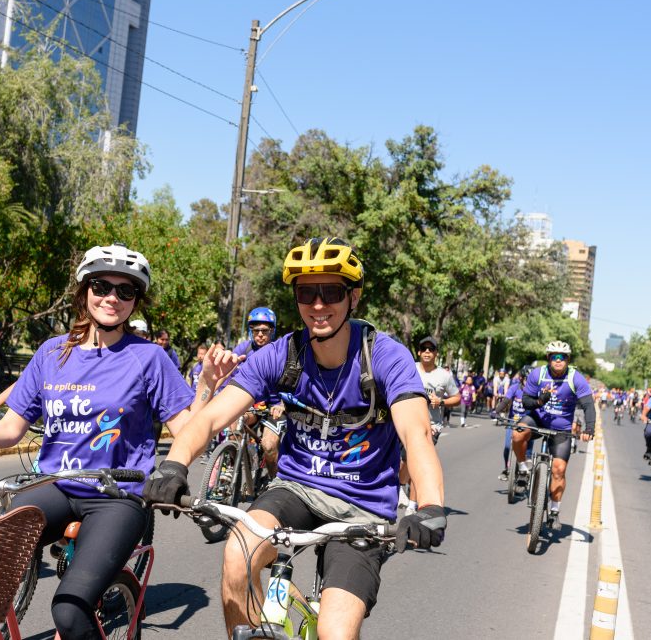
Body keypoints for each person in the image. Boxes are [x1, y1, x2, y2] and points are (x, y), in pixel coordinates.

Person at [145, 237, 446, 640]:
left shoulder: (384, 357)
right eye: (307, 293)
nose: (318, 305)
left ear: (353, 296)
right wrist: (173, 465)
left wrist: (430, 505)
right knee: (237, 555)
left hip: (363, 507)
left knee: (335, 632)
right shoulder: (281, 354)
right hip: (296, 489)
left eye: (331, 292)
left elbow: (416, 432)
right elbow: (213, 416)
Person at [0, 243, 233, 639]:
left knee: (70, 611)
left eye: (125, 291)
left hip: (117, 498)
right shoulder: (51, 352)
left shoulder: (149, 358)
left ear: (136, 301)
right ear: (83, 291)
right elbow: (9, 429)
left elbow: (189, 432)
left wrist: (207, 385)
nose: (112, 298)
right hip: (54, 485)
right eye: (101, 286)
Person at [511, 341, 595, 531]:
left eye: (562, 357)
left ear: (568, 360)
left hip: (562, 428)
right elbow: (526, 401)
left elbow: (588, 405)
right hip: (538, 419)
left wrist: (589, 428)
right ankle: (523, 468)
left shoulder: (576, 378)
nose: (558, 360)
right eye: (554, 356)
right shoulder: (537, 374)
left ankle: (554, 511)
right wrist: (540, 401)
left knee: (559, 470)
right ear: (548, 358)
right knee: (517, 433)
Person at [400, 335, 459, 512]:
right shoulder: (409, 368)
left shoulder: (444, 376)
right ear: (419, 352)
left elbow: (457, 398)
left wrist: (441, 402)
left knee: (417, 460)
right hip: (406, 421)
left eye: (431, 349)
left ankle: (412, 504)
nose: (427, 352)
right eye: (423, 349)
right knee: (404, 462)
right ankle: (400, 485)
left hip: (430, 426)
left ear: (436, 353)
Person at [234, 306, 286, 480]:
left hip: (275, 407)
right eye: (256, 331)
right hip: (253, 405)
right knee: (235, 423)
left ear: (272, 330)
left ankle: (274, 482)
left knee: (269, 445)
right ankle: (232, 467)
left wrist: (282, 404)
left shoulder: (282, 351)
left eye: (265, 331)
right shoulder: (243, 349)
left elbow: (295, 383)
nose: (260, 335)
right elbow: (229, 375)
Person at [495, 366, 533, 481]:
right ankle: (507, 469)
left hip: (527, 423)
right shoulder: (514, 388)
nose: (529, 382)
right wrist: (496, 411)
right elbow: (506, 401)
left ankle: (526, 466)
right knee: (507, 447)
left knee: (527, 446)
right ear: (521, 378)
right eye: (527, 379)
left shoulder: (534, 391)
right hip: (513, 422)